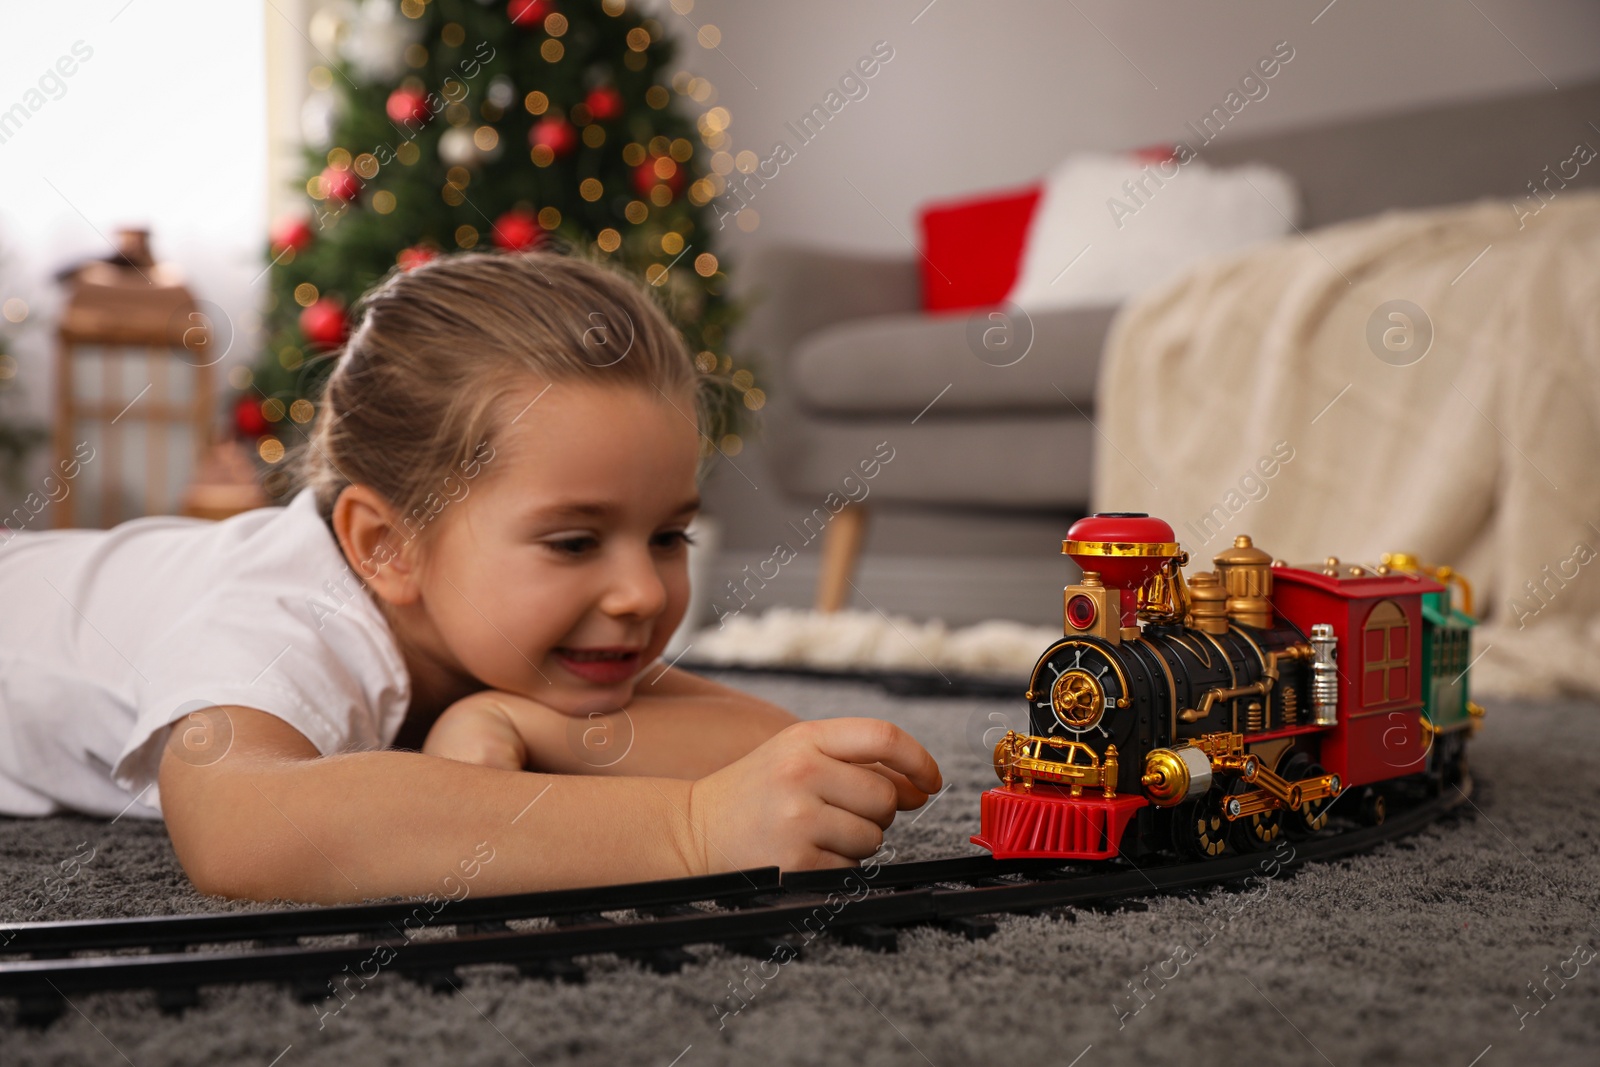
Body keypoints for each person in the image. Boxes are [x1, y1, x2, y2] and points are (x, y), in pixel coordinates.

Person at [0, 251, 941, 903]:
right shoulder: (285, 612)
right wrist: (690, 830)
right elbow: (241, 826)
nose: (644, 594)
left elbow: (768, 745)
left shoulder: (505, 633)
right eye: (575, 542)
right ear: (386, 546)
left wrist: (510, 721)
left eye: (667, 537)